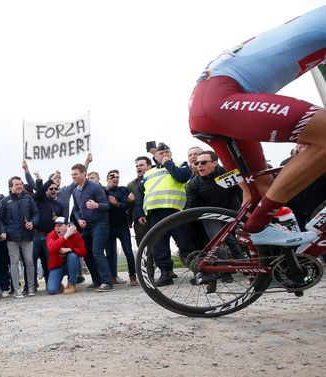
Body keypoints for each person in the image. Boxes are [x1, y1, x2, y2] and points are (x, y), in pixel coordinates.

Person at [188, 5, 326, 247]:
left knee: (259, 190)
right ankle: (257, 226)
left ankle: (265, 262)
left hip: (212, 102)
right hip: (223, 98)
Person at [135, 144, 195, 286]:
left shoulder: (180, 165)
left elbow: (183, 177)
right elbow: (141, 194)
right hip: (155, 213)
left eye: (167, 151)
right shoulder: (148, 173)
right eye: (161, 152)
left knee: (185, 242)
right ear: (155, 156)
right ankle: (166, 273)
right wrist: (140, 213)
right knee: (159, 245)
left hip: (175, 211)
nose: (164, 154)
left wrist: (168, 163)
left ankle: (198, 271)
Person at [70, 163, 113, 292]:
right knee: (85, 252)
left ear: (83, 173)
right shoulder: (75, 191)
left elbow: (107, 205)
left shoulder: (95, 187)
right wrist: (79, 219)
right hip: (86, 227)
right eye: (72, 175)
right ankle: (97, 280)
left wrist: (96, 205)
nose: (73, 177)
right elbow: (76, 210)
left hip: (100, 224)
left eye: (75, 174)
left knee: (97, 251)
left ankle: (107, 282)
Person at [0, 176, 39, 298]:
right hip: (11, 236)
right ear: (10, 187)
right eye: (16, 184)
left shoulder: (28, 198)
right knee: (14, 262)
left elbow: (36, 213)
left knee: (29, 261)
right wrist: (3, 231)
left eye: (20, 184)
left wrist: (33, 222)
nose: (19, 186)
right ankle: (17, 290)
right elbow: (0, 220)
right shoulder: (5, 201)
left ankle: (31, 287)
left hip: (27, 235)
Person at [104, 170, 137, 286]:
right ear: (107, 179)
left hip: (122, 226)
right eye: (112, 176)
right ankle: (113, 277)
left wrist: (116, 203)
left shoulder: (123, 190)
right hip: (108, 227)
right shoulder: (103, 191)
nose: (115, 178)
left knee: (128, 251)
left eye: (117, 177)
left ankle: (133, 276)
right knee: (110, 253)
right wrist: (107, 190)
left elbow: (125, 206)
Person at [46, 217, 86, 294]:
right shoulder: (51, 235)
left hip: (70, 264)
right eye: (56, 226)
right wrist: (65, 236)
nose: (57, 228)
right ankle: (58, 283)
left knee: (73, 256)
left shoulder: (75, 234)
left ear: (67, 226)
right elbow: (51, 248)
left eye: (60, 225)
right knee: (51, 290)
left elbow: (83, 251)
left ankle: (71, 284)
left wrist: (70, 249)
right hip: (57, 265)